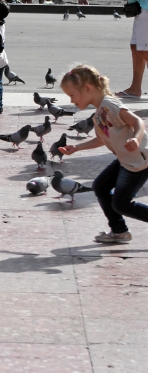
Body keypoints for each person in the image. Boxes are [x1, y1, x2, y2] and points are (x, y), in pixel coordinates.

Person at [58, 65, 148, 244]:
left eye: (72, 95)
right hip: (126, 160)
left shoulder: (110, 105)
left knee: (121, 203)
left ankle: (119, 230)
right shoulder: (99, 113)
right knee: (100, 186)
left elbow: (137, 121)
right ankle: (119, 231)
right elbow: (102, 139)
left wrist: (136, 139)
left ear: (87, 89)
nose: (71, 101)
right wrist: (77, 147)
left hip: (139, 161)